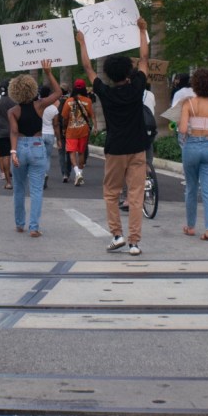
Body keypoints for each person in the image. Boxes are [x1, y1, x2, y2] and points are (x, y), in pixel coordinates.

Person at [75, 18, 150, 256]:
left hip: (115, 148)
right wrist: (142, 31)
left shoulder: (105, 92)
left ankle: (117, 235)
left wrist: (82, 43)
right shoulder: (137, 87)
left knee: (111, 193)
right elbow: (144, 59)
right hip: (137, 148)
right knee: (136, 195)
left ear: (108, 74)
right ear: (129, 72)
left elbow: (88, 68)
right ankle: (135, 242)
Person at [8, 61, 62, 237]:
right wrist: (48, 73)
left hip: (20, 147)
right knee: (36, 189)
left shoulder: (13, 111)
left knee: (19, 188)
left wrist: (13, 152)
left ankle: (19, 224)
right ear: (32, 89)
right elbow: (58, 93)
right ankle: (34, 227)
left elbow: (14, 132)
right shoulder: (40, 105)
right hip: (37, 146)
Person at [178, 68, 208, 241]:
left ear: (195, 84)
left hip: (192, 145)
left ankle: (190, 226)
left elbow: (182, 129)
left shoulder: (189, 103)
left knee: (191, 188)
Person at [61, 78, 94, 186]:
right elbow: (91, 116)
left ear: (74, 88)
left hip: (71, 131)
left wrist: (64, 128)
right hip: (83, 130)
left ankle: (77, 173)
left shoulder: (68, 101)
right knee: (81, 152)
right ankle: (80, 173)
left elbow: (65, 117)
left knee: (71, 152)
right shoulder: (88, 101)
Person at [0, 81, 17, 190]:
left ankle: (8, 182)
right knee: (15, 155)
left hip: (2, 132)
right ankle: (18, 180)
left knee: (5, 156)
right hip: (14, 131)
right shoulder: (14, 101)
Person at [40, 84, 59, 189]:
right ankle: (45, 173)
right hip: (50, 134)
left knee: (39, 156)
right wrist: (59, 139)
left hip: (40, 134)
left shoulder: (38, 106)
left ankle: (41, 176)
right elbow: (56, 124)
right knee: (47, 157)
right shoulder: (54, 108)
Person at [55, 83, 73, 183]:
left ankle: (64, 174)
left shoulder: (56, 102)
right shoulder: (71, 101)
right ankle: (68, 172)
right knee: (69, 151)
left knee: (61, 152)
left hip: (60, 129)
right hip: (70, 129)